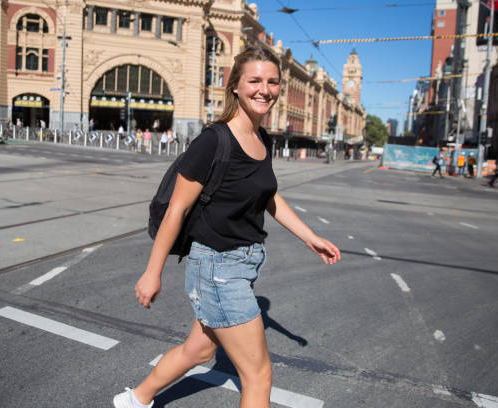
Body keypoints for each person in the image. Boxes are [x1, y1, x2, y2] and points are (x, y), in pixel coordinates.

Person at [113, 46, 341, 408]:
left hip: (242, 265)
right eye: (254, 81)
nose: (264, 89)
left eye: (272, 82)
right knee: (258, 375)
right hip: (218, 269)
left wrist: (310, 237)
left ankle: (135, 399)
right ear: (235, 85)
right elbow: (177, 209)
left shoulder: (262, 139)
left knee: (198, 350)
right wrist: (152, 272)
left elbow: (269, 196)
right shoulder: (213, 141)